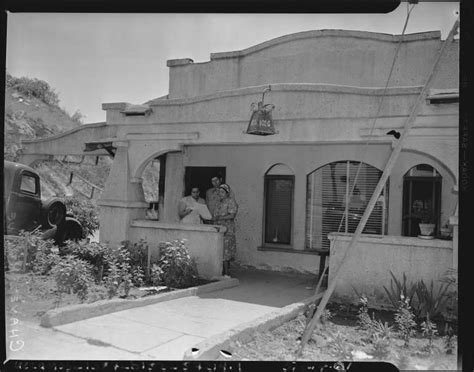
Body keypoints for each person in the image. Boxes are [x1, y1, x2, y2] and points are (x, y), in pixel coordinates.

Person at [212, 184, 238, 276]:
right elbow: (215, 215)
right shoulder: (218, 202)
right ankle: (221, 272)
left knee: (225, 252)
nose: (220, 194)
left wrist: (221, 217)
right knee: (219, 250)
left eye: (222, 192)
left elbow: (232, 215)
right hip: (218, 230)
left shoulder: (231, 202)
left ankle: (226, 273)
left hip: (227, 230)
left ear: (227, 193)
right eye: (219, 192)